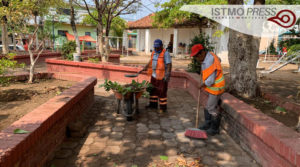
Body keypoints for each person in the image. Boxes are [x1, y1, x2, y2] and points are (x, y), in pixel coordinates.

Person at [190, 44, 225, 136]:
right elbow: (219, 60)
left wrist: (202, 84)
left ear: (203, 52)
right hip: (213, 86)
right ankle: (208, 123)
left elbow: (210, 80)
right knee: (208, 105)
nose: (196, 58)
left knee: (210, 107)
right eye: (195, 56)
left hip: (216, 87)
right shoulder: (209, 55)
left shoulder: (209, 61)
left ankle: (214, 129)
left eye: (197, 56)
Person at [139, 39, 172, 113]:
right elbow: (150, 61)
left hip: (162, 77)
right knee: (153, 90)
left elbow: (169, 65)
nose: (156, 48)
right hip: (154, 76)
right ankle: (153, 105)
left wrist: (167, 75)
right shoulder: (153, 52)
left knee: (162, 92)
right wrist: (145, 68)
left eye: (158, 47)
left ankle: (163, 108)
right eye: (155, 47)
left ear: (161, 46)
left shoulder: (166, 53)